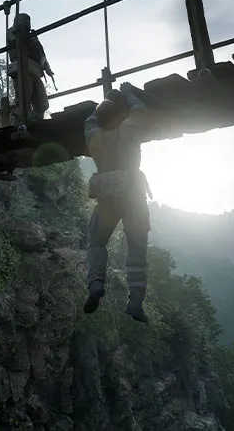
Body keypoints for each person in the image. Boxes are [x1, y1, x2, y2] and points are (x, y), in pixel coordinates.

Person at [81, 82, 153, 323]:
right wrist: (128, 93)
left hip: (107, 197)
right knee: (137, 251)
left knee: (97, 242)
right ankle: (135, 301)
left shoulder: (94, 134)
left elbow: (91, 119)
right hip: (133, 195)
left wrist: (106, 99)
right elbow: (140, 110)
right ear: (120, 115)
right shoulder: (130, 129)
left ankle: (96, 283)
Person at [6, 13, 53, 123]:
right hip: (22, 68)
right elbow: (16, 44)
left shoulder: (32, 36)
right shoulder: (12, 32)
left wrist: (47, 67)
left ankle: (38, 120)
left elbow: (41, 54)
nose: (26, 24)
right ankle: (20, 122)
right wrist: (24, 35)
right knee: (23, 98)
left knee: (41, 100)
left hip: (35, 70)